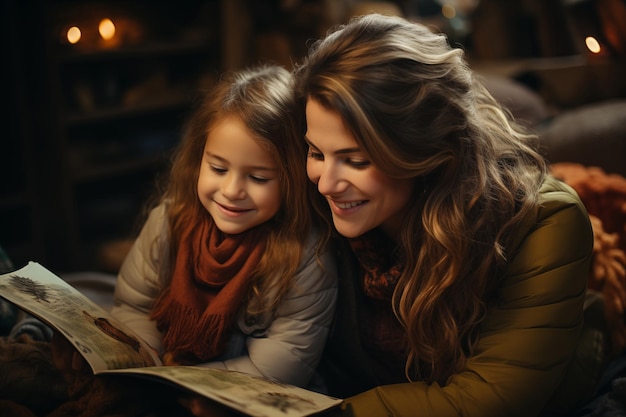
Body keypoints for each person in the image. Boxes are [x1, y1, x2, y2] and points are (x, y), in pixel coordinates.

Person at [291, 13, 595, 417]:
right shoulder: (317, 200)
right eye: (317, 153)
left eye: (356, 160)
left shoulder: (544, 223)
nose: (325, 183)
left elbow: (488, 401)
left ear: (426, 153)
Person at [107, 64, 338, 389]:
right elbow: (133, 306)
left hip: (248, 394)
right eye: (217, 168)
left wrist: (194, 383)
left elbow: (286, 360)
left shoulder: (304, 255)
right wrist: (149, 356)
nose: (231, 191)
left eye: (257, 178)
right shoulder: (170, 220)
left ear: (294, 181)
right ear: (198, 158)